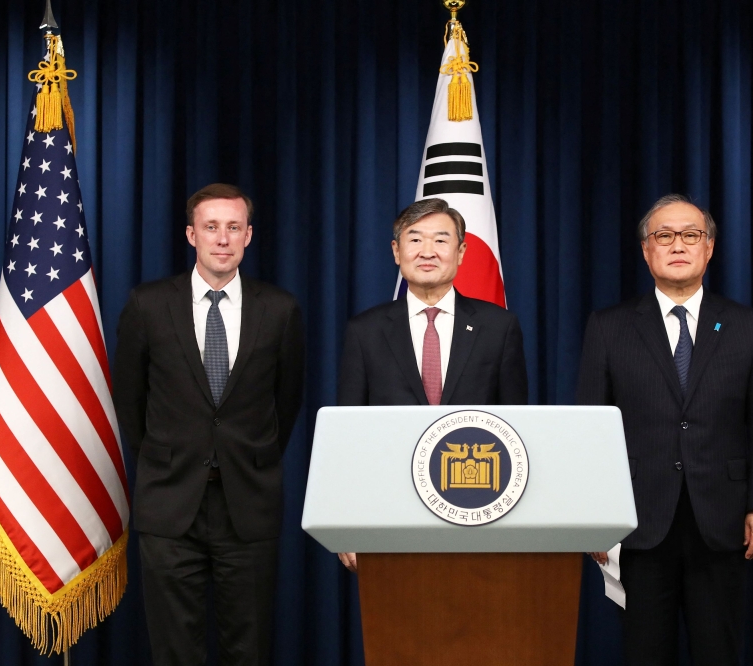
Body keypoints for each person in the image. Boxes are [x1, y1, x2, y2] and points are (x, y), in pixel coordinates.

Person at [577, 194, 753, 665]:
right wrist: (594, 514)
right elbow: (591, 428)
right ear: (647, 251)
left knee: (719, 651)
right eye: (663, 236)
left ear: (709, 249)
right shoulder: (609, 327)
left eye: (691, 235)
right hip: (640, 519)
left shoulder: (746, 326)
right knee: (645, 651)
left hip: (725, 518)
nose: (678, 245)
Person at [112, 183, 304, 665]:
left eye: (233, 227)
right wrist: (165, 458)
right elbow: (130, 401)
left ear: (249, 236)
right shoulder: (148, 304)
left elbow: (289, 401)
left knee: (250, 648)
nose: (223, 238)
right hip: (170, 504)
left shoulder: (279, 310)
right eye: (211, 227)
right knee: (175, 649)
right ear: (190, 235)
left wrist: (249, 459)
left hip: (249, 503)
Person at [336, 197, 528, 571]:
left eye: (441, 240)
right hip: (387, 515)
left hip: (479, 510)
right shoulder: (365, 331)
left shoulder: (498, 327)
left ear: (461, 252)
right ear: (396, 251)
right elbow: (348, 434)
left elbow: (516, 429)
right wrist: (348, 522)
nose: (428, 251)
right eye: (415, 239)